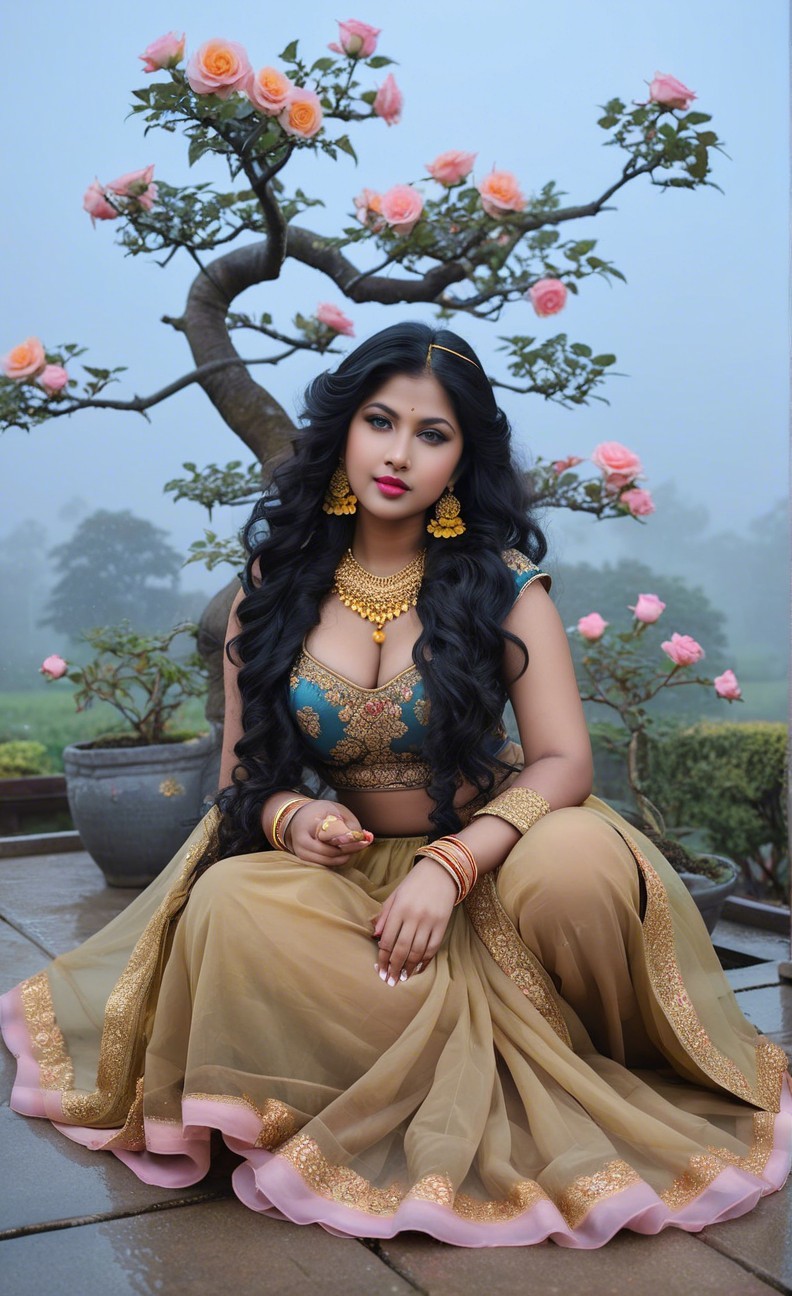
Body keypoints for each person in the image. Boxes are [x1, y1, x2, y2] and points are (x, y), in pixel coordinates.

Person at [2, 322, 789, 1248]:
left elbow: (565, 762)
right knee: (228, 902)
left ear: (462, 460)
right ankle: (430, 1066)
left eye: (433, 434)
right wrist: (294, 817)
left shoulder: (502, 583)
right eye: (382, 421)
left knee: (579, 859)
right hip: (354, 886)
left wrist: (451, 866)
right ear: (344, 428)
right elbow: (242, 784)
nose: (399, 453)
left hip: (500, 864)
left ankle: (573, 1051)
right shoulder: (275, 583)